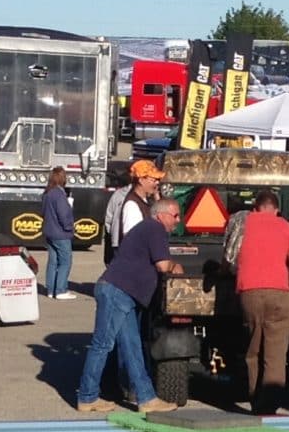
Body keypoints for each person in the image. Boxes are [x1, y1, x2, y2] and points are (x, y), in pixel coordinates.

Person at [76, 194, 182, 414]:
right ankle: (87, 396)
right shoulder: (155, 229)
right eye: (175, 215)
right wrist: (176, 265)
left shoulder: (148, 228)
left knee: (132, 348)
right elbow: (163, 266)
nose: (178, 220)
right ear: (161, 215)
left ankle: (147, 398)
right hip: (117, 291)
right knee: (102, 344)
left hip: (123, 294)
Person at [231, 188, 289, 413]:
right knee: (275, 352)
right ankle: (269, 404)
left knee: (253, 350)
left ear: (255, 208)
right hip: (278, 294)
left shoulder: (242, 223)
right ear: (277, 209)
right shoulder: (284, 226)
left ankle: (255, 399)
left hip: (249, 294)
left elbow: (229, 257)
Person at [39, 167, 77, 299]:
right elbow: (64, 215)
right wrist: (69, 227)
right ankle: (60, 290)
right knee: (65, 261)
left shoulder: (47, 193)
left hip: (49, 232)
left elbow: (43, 213)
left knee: (53, 261)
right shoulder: (59, 194)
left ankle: (50, 289)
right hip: (60, 233)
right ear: (62, 178)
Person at [112, 159, 163, 244]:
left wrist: (156, 196)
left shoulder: (145, 201)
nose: (157, 183)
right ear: (141, 180)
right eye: (154, 180)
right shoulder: (132, 205)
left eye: (158, 180)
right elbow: (131, 239)